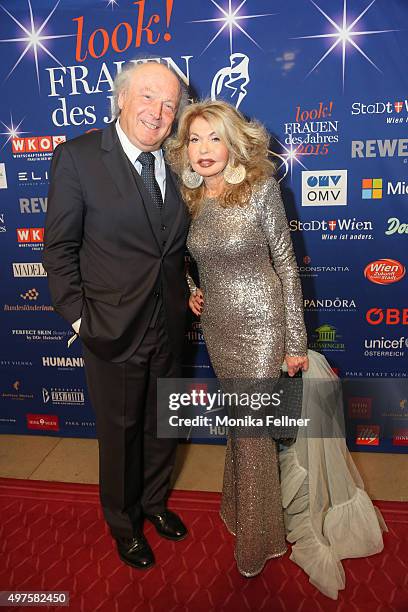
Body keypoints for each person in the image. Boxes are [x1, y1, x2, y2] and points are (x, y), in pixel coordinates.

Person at [43, 61, 191, 570]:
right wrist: (82, 320)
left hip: (170, 324)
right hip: (111, 329)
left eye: (170, 104)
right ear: (122, 99)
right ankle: (124, 522)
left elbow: (176, 249)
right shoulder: (78, 158)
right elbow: (59, 249)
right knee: (121, 435)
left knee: (163, 426)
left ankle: (155, 505)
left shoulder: (179, 163)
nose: (159, 112)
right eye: (149, 97)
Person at [166, 99, 309, 577]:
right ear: (184, 149)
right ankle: (239, 509)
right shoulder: (185, 197)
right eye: (194, 139)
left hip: (263, 325)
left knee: (251, 434)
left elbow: (286, 264)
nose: (204, 149)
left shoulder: (260, 189)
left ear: (233, 144)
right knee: (241, 429)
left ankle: (259, 539)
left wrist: (294, 341)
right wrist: (191, 290)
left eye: (215, 138)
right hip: (219, 327)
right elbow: (181, 259)